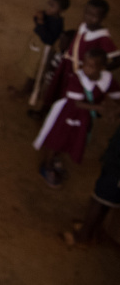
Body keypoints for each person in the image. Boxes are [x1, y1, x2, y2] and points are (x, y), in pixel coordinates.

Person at [34, 49, 119, 188]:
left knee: (70, 139)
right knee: (56, 139)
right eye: (85, 64)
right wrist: (101, 109)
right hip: (66, 113)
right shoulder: (77, 78)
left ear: (102, 68)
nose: (86, 68)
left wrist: (115, 110)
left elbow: (117, 94)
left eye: (92, 66)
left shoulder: (107, 79)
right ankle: (47, 165)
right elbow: (77, 103)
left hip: (82, 117)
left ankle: (55, 158)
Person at [63, 121, 120, 247]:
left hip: (116, 167)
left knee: (99, 198)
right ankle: (93, 229)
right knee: (107, 199)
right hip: (115, 163)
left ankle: (82, 236)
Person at [10, 0, 70, 101]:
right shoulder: (49, 16)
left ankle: (25, 92)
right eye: (49, 4)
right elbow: (37, 22)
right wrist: (38, 17)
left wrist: (41, 22)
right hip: (37, 47)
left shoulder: (57, 23)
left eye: (53, 6)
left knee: (35, 72)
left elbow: (48, 39)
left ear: (61, 10)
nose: (48, 8)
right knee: (33, 69)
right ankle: (28, 90)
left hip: (44, 50)